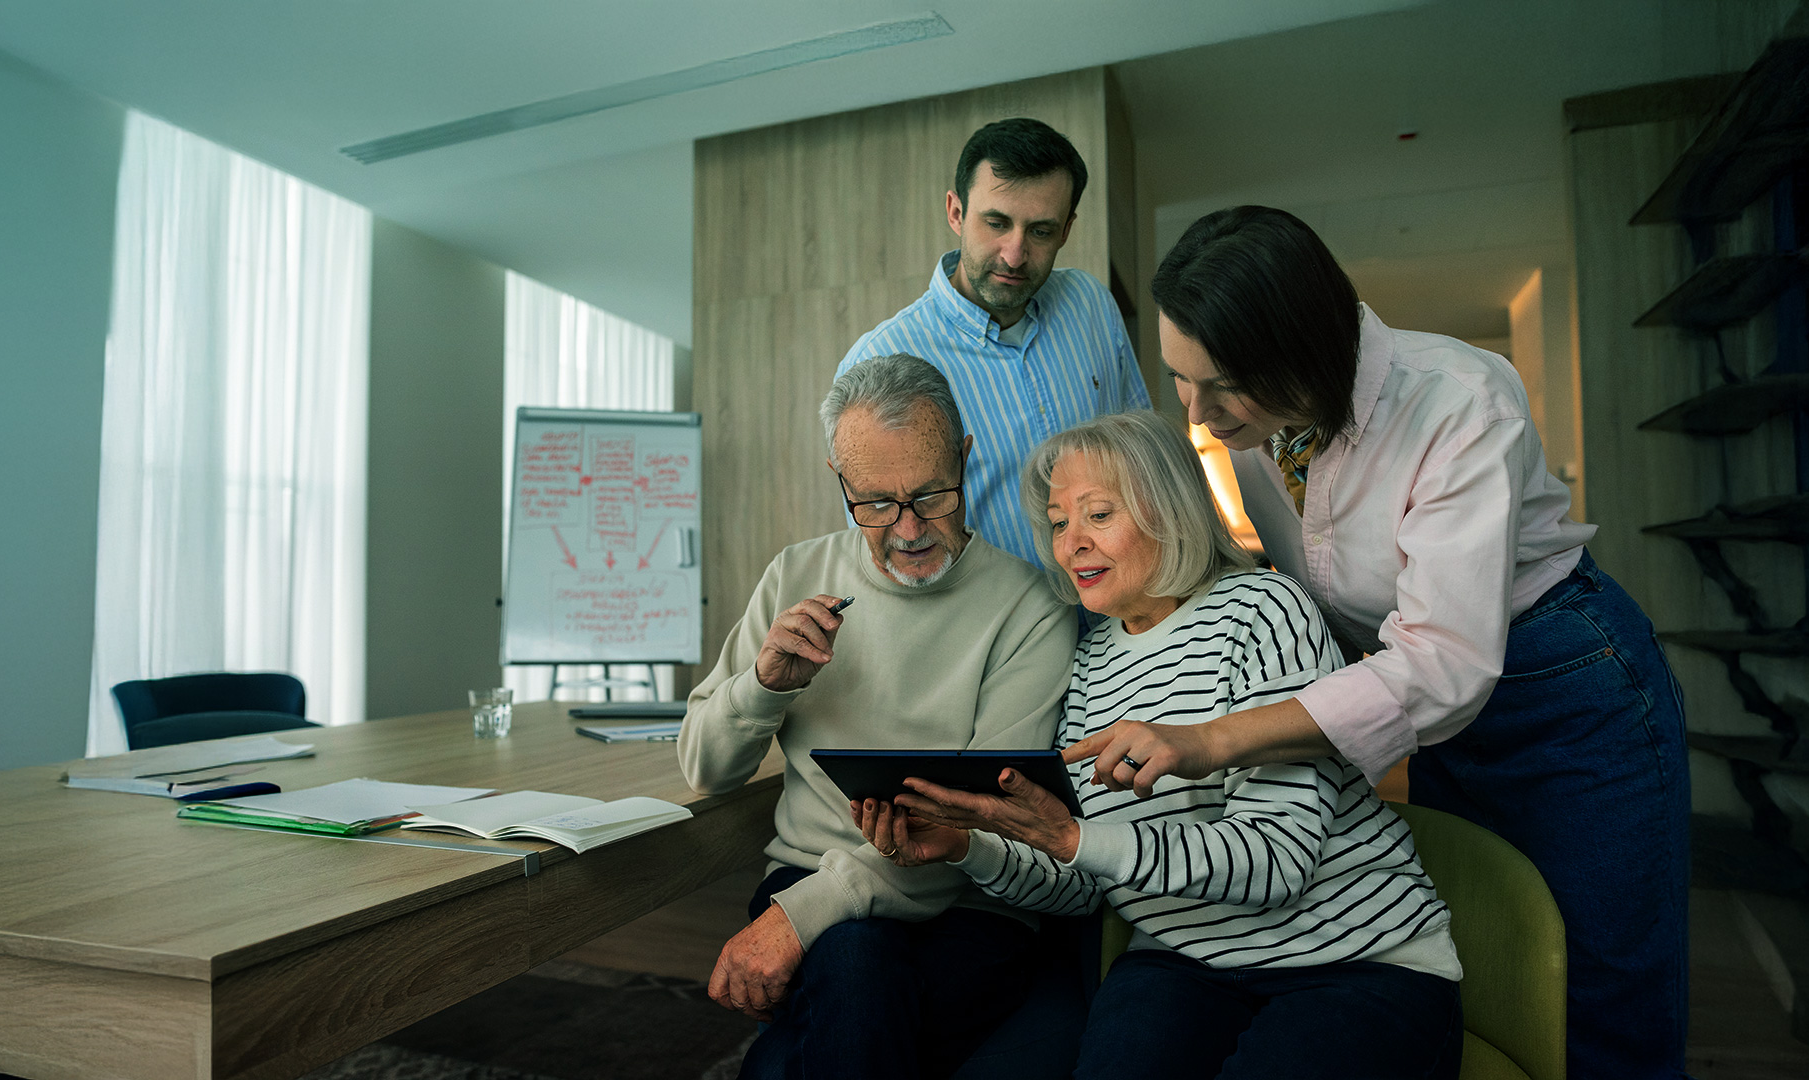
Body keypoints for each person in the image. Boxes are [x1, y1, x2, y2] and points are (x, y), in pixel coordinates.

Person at [1078, 206, 1690, 1079]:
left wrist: (1213, 738)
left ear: (1303, 354)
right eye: (1181, 379)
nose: (1200, 416)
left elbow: (1444, 666)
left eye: (1220, 388)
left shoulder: (1460, 400)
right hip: (1424, 697)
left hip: (1564, 680)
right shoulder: (1257, 426)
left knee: (1602, 1006)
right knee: (1495, 953)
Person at [855, 410, 1463, 1080]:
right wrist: (969, 847)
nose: (1071, 544)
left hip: (1353, 960)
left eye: (1098, 514)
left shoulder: (1264, 610)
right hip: (1182, 962)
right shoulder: (1090, 667)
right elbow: (1084, 882)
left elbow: (1278, 861)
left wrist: (1080, 841)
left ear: (1168, 512)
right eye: (1059, 523)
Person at [677, 352, 1077, 1080]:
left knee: (841, 991)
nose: (908, 529)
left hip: (969, 900)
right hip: (805, 875)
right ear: (840, 479)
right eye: (875, 503)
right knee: (859, 962)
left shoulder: (1030, 607)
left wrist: (801, 919)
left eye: (931, 494)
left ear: (964, 458)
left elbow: (983, 821)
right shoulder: (794, 575)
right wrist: (764, 684)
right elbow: (705, 766)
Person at [838, 116, 1149, 571]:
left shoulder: (1090, 305)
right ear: (956, 212)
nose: (1014, 254)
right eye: (996, 223)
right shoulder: (879, 361)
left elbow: (1143, 463)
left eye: (1041, 231)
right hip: (999, 637)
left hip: (1121, 624)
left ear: (1066, 230)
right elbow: (881, 554)